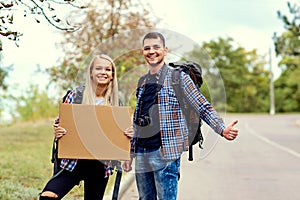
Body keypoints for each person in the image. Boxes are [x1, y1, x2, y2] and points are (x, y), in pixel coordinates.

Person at [122, 32, 239, 200]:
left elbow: (202, 106)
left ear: (165, 50)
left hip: (165, 153)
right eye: (147, 48)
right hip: (141, 153)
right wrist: (130, 154)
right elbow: (137, 120)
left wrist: (222, 129)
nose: (151, 51)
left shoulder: (179, 78)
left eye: (156, 47)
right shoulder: (142, 82)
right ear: (143, 51)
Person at [39, 54, 120, 200]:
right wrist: (58, 131)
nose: (103, 72)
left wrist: (127, 134)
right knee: (48, 196)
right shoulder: (75, 95)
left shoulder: (115, 103)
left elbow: (119, 137)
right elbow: (61, 124)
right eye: (98, 68)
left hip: (99, 166)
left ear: (112, 75)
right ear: (91, 72)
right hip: (73, 162)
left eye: (107, 69)